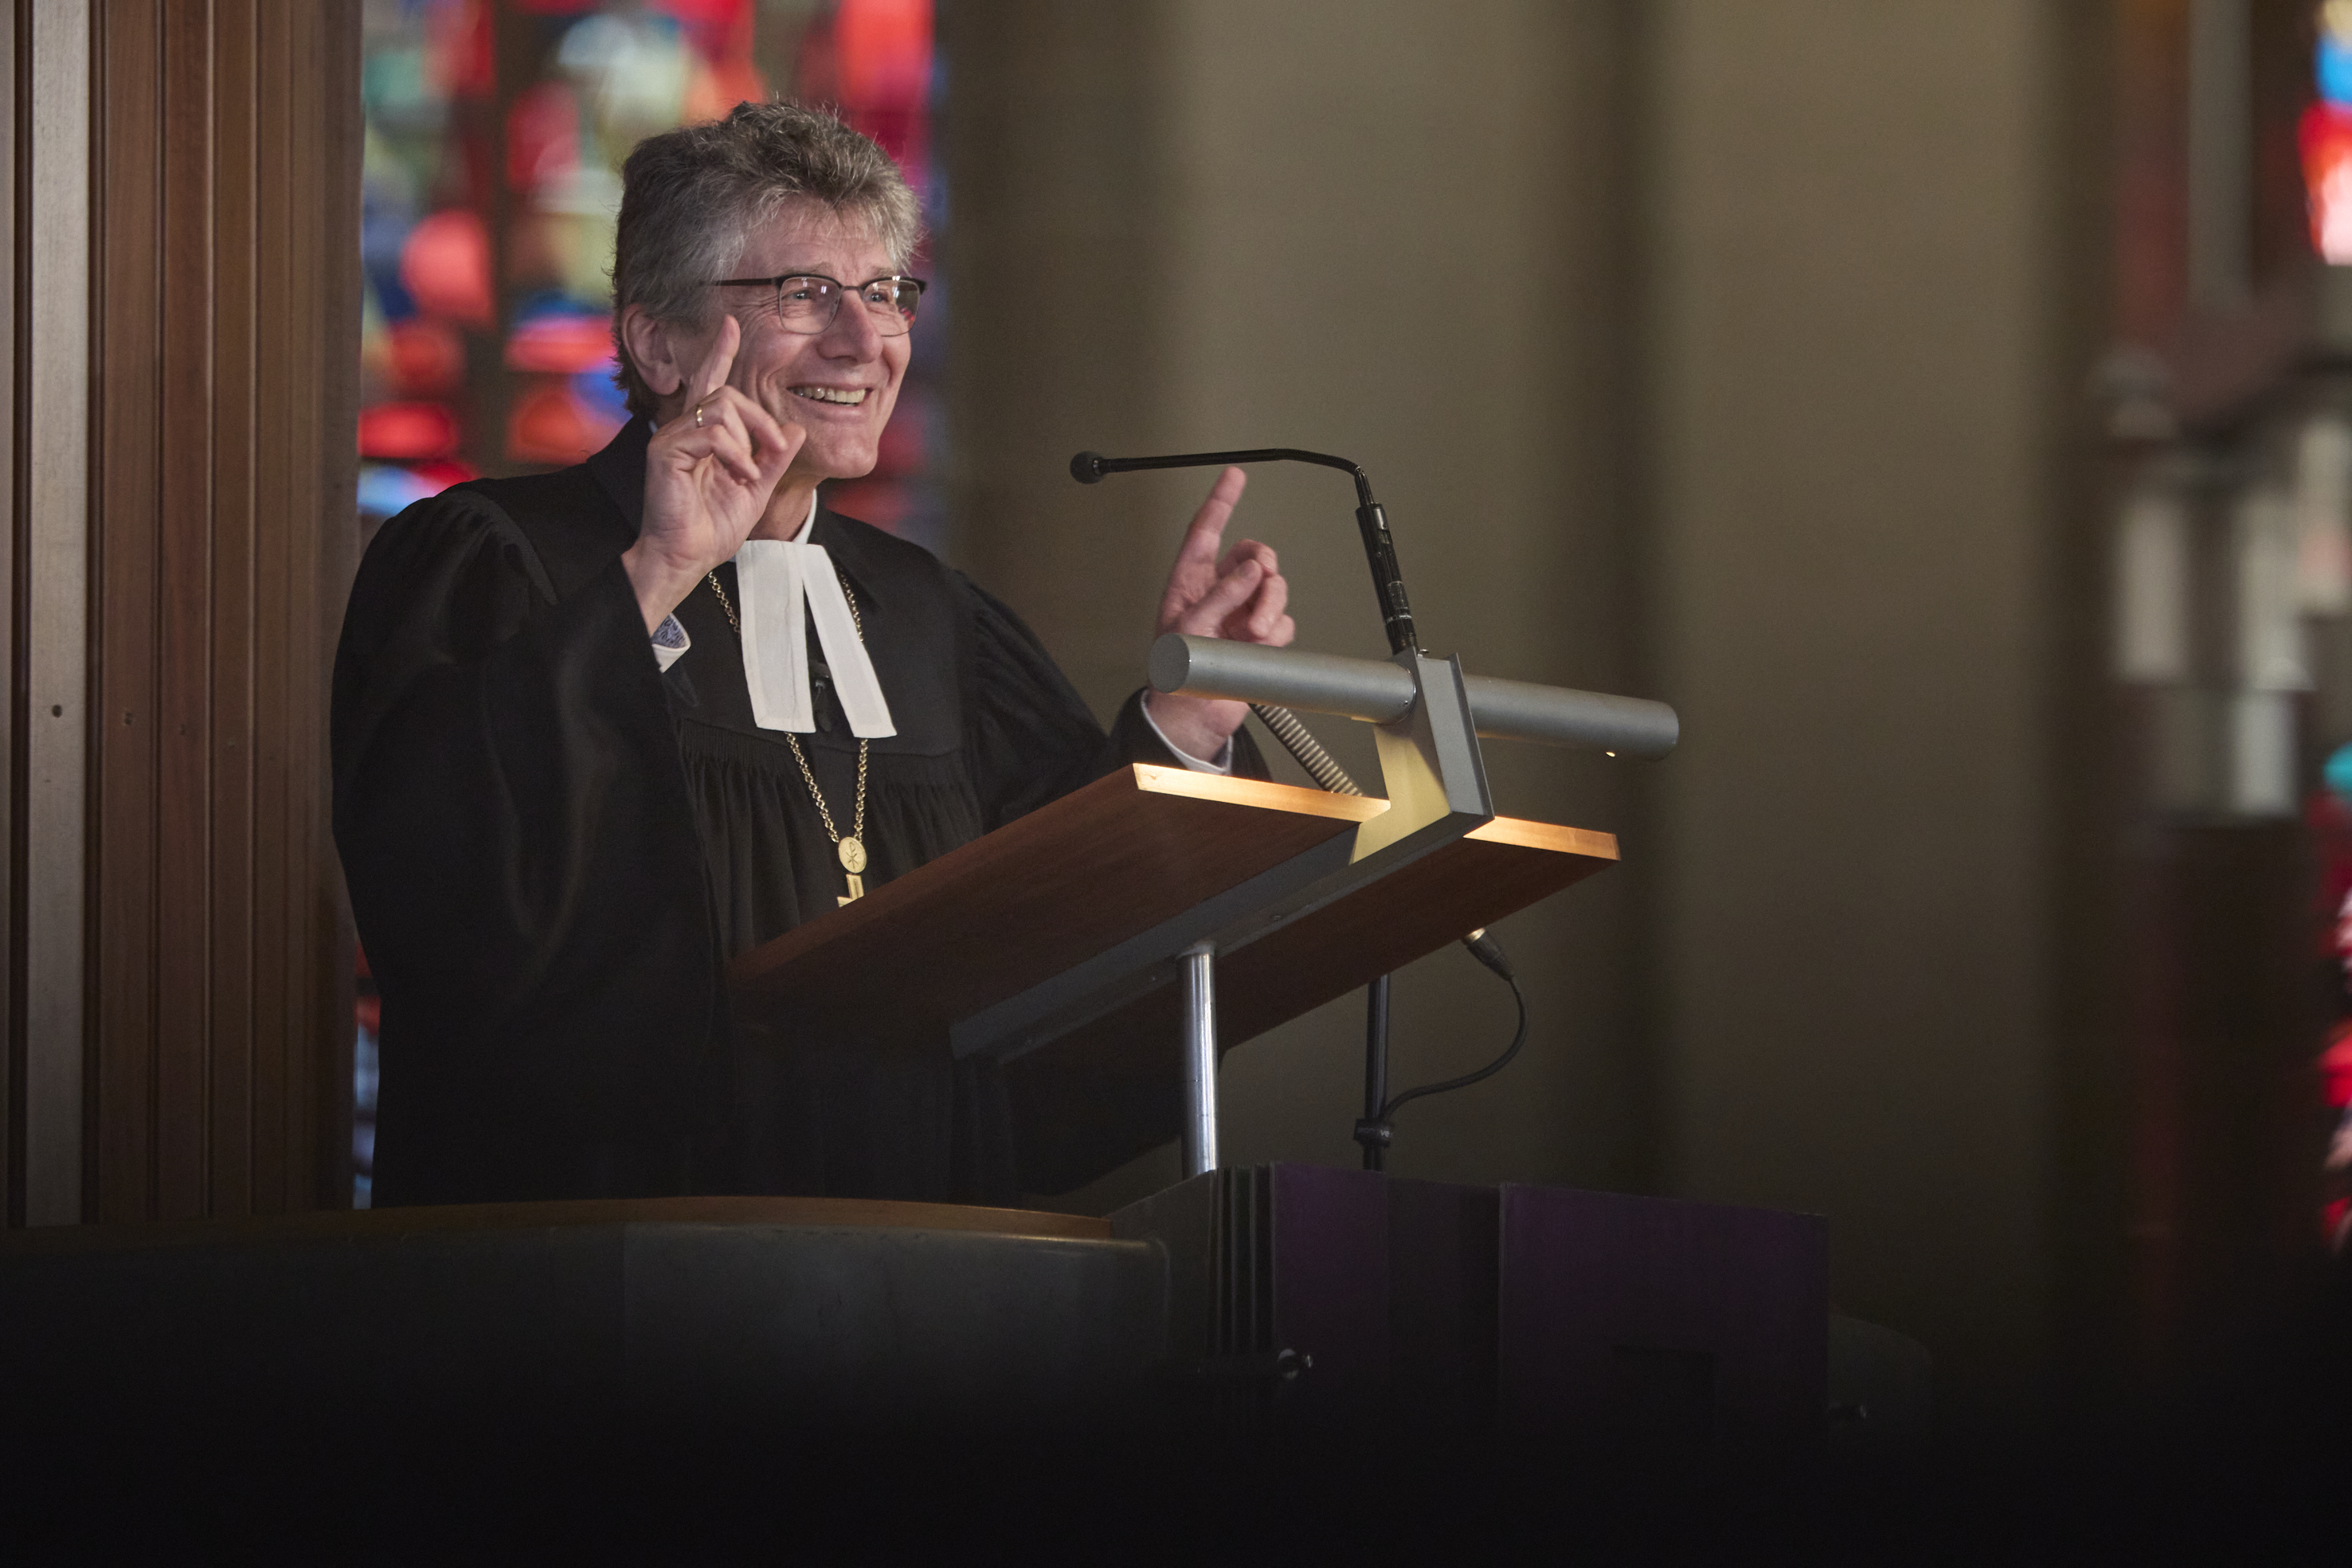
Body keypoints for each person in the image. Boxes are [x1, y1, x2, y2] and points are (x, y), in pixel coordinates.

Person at [333, 102, 1295, 1207]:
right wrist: (657, 573)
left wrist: (1186, 731)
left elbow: (1071, 952)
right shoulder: (497, 560)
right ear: (659, 343)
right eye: (804, 294)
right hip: (611, 1261)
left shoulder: (933, 618)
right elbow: (444, 893)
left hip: (914, 1263)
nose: (864, 340)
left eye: (884, 293)